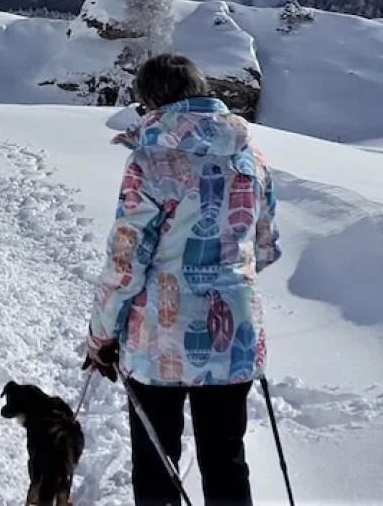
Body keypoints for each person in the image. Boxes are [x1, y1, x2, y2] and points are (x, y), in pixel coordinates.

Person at [83, 53, 281, 506]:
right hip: (235, 334)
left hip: (159, 338)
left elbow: (124, 263)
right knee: (226, 458)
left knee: (157, 465)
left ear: (152, 104)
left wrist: (101, 335)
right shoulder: (252, 157)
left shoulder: (149, 162)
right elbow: (267, 246)